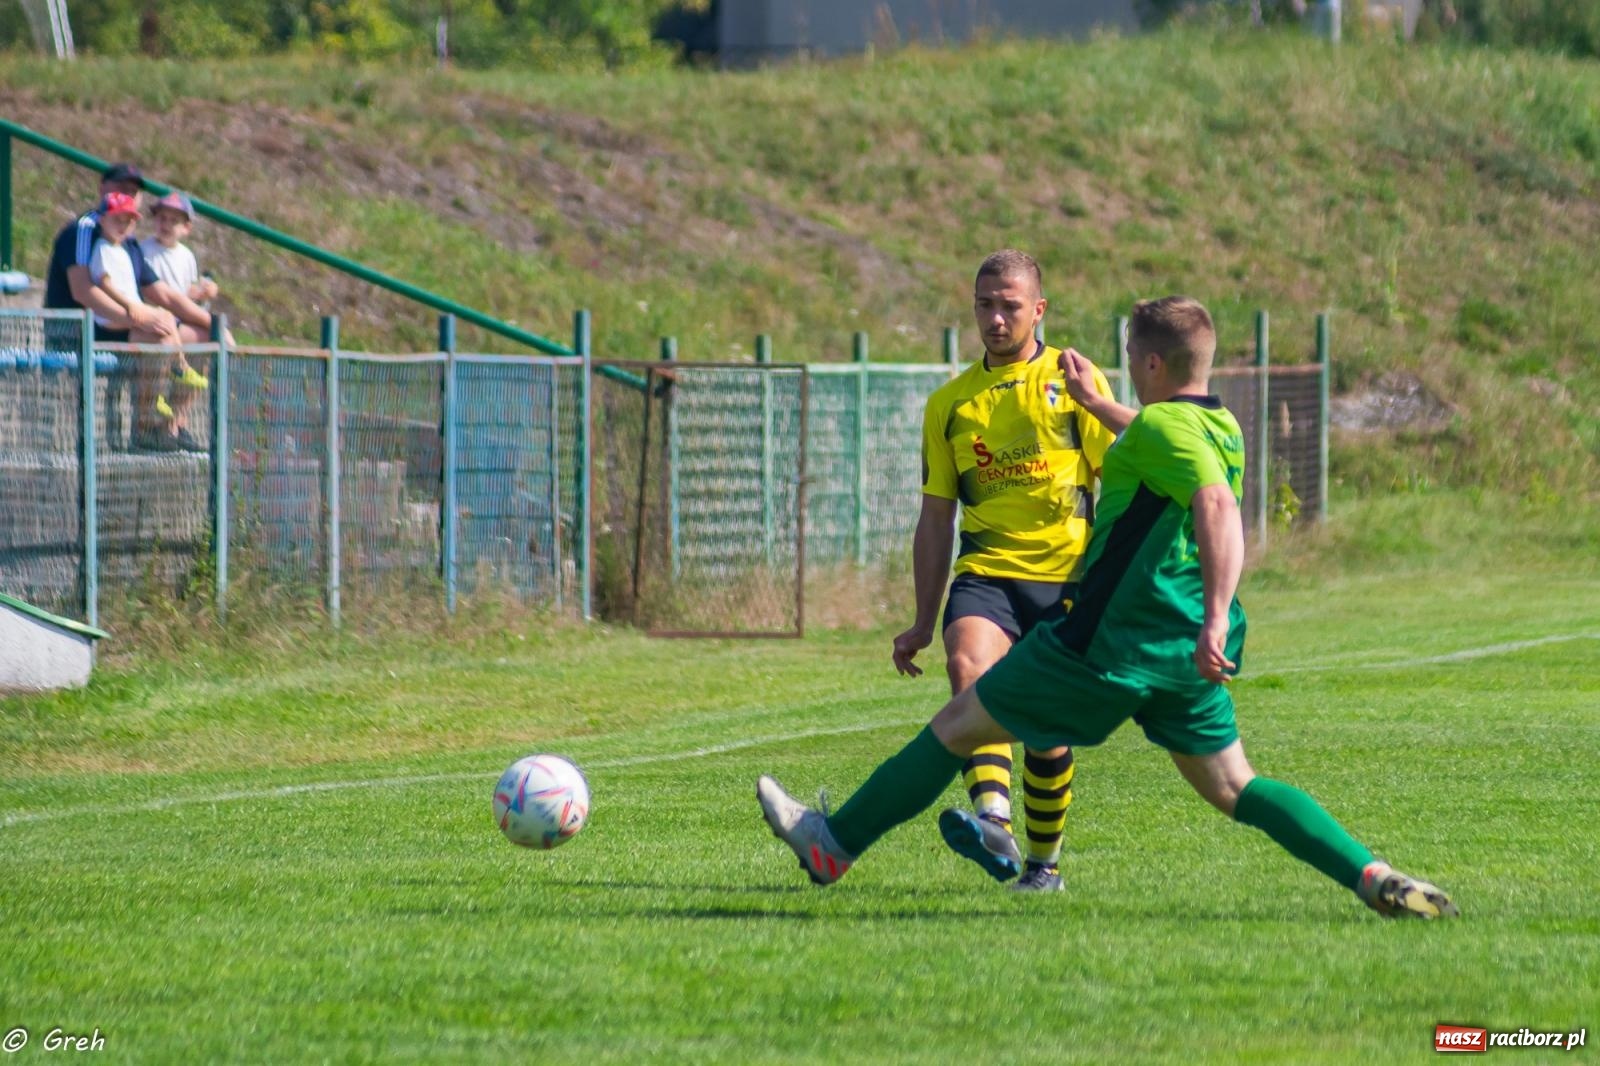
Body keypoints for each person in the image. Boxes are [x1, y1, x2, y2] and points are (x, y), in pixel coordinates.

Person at [758, 296, 1459, 920]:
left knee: (957, 725)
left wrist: (1217, 612)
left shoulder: (1161, 431)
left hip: (1110, 641)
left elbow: (1213, 504)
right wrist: (1100, 409)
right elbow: (1170, 451)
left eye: (1129, 357)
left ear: (1151, 362)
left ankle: (834, 846)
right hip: (1183, 657)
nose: (1123, 368)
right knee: (1236, 786)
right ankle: (1371, 875)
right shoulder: (1219, 427)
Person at [890, 249, 1133, 891]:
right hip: (987, 570)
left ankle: (1043, 864)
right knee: (967, 666)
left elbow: (1124, 477)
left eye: (1010, 306)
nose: (995, 319)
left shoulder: (1074, 378)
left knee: (1046, 731)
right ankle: (992, 819)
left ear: (1039, 310)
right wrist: (920, 620)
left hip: (1066, 578)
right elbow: (936, 516)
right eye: (985, 305)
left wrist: (1118, 580)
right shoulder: (950, 403)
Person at [42, 162, 218, 451]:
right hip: (82, 332)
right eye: (121, 187)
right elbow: (84, 291)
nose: (128, 194)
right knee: (157, 335)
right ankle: (145, 431)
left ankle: (172, 426)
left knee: (203, 337)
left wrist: (215, 325)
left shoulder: (127, 242)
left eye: (134, 191)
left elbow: (164, 295)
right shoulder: (84, 230)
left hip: (118, 325)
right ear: (102, 189)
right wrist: (137, 318)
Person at [139, 190, 225, 444]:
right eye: (161, 218)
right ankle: (147, 426)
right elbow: (154, 292)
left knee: (206, 345)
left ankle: (177, 422)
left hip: (178, 320)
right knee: (159, 362)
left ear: (186, 228)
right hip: (156, 320)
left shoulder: (186, 256)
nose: (165, 225)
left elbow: (183, 292)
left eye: (173, 221)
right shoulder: (145, 250)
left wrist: (202, 292)